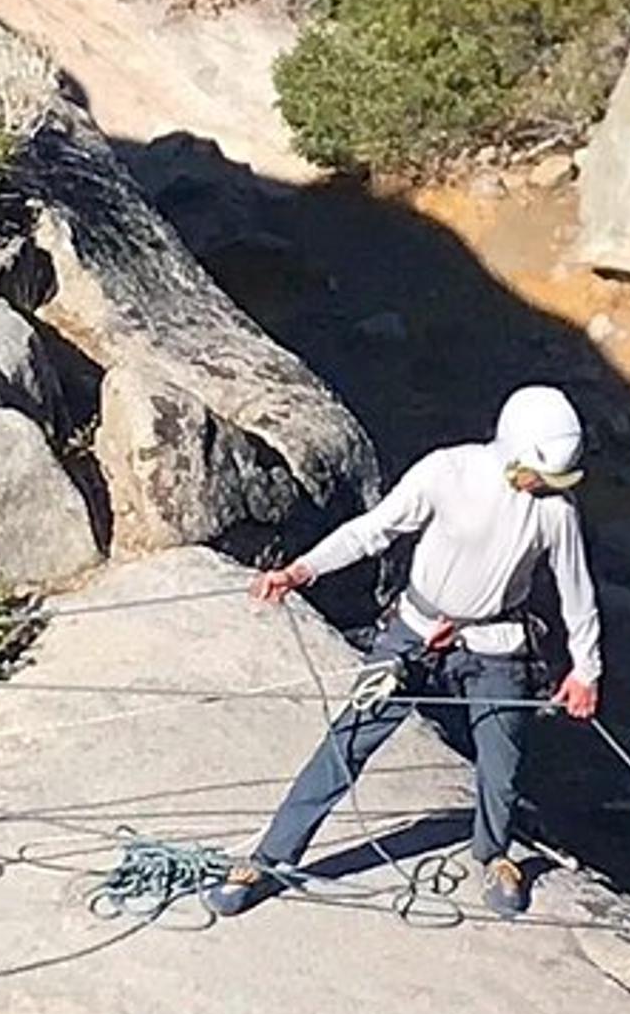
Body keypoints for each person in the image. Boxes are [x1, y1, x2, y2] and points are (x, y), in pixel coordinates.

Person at [209, 385, 602, 921]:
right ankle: (271, 858)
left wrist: (587, 670)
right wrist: (302, 569)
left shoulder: (554, 509)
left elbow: (574, 589)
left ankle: (493, 853)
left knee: (501, 762)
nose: (543, 487)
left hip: (494, 645)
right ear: (512, 448)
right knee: (346, 742)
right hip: (412, 634)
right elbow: (375, 530)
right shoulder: (447, 472)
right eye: (539, 474)